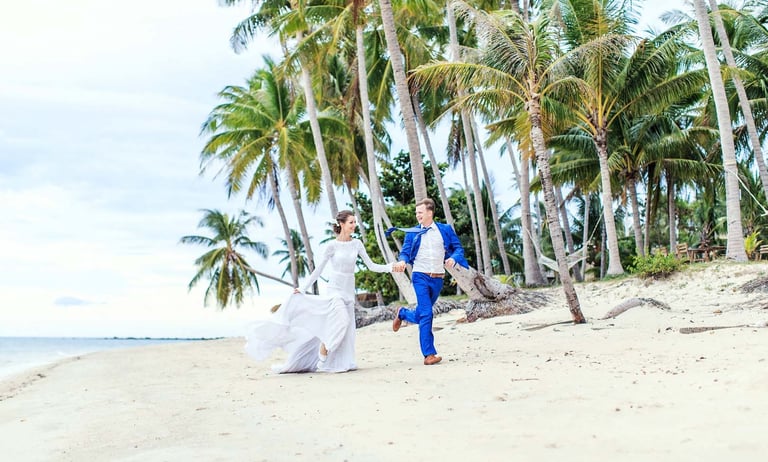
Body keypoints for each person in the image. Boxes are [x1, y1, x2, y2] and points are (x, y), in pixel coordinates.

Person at [244, 210, 394, 373]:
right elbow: (318, 271)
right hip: (335, 291)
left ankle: (337, 361)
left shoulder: (357, 244)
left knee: (347, 331)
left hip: (349, 291)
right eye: (351, 222)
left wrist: (391, 267)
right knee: (341, 321)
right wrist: (302, 289)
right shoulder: (332, 246)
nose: (354, 225)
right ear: (342, 224)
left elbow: (371, 266)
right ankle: (323, 354)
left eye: (354, 222)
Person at [392, 198, 468, 365]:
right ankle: (429, 354)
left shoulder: (445, 230)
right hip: (420, 277)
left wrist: (454, 259)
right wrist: (403, 261)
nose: (417, 215)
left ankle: (403, 313)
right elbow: (405, 252)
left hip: (438, 279)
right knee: (427, 313)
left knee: (421, 315)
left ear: (429, 212)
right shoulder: (412, 232)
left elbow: (458, 249)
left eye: (420, 212)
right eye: (416, 212)